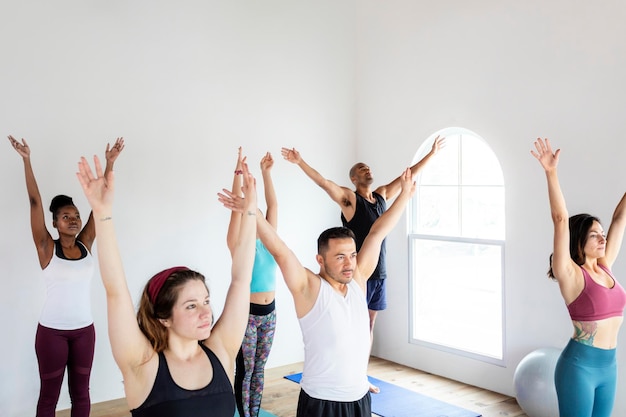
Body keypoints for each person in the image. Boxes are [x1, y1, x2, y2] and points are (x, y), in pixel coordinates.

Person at [219, 167, 415, 417]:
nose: (349, 263)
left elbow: (377, 232)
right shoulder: (309, 288)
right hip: (322, 403)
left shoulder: (358, 280)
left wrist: (406, 195)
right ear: (320, 260)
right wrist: (253, 211)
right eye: (340, 257)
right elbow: (281, 251)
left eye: (353, 255)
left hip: (359, 399)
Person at [75, 152, 257, 417]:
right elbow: (116, 292)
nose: (206, 313)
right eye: (191, 306)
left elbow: (242, 279)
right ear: (164, 318)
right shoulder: (142, 365)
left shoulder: (221, 351)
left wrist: (250, 211)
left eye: (206, 301)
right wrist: (102, 214)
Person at [7, 135, 124, 417]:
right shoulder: (47, 247)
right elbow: (35, 202)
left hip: (85, 331)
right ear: (54, 223)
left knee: (81, 394)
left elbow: (101, 205)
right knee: (49, 396)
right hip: (52, 334)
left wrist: (109, 164)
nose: (73, 219)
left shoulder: (85, 243)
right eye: (65, 216)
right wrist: (26, 160)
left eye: (75, 215)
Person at [281, 136, 444, 335]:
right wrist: (300, 162)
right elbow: (324, 183)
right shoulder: (350, 200)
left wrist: (432, 154)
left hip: (379, 272)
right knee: (354, 321)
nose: (367, 169)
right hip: (359, 272)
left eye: (368, 167)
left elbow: (408, 177)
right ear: (354, 179)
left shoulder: (381, 194)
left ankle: (362, 365)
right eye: (361, 168)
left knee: (369, 323)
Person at [531, 137, 626, 417]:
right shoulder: (571, 274)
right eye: (593, 234)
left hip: (609, 367)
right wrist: (551, 172)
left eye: (601, 232)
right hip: (578, 369)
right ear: (578, 241)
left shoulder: (605, 265)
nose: (602, 237)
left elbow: (619, 217)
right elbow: (561, 218)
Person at [227, 148, 278, 417]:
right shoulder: (238, 245)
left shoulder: (270, 242)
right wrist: (238, 172)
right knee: (245, 370)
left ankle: (254, 413)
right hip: (246, 314)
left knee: (259, 369)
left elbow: (274, 207)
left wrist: (266, 174)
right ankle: (243, 414)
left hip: (269, 314)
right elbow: (236, 209)